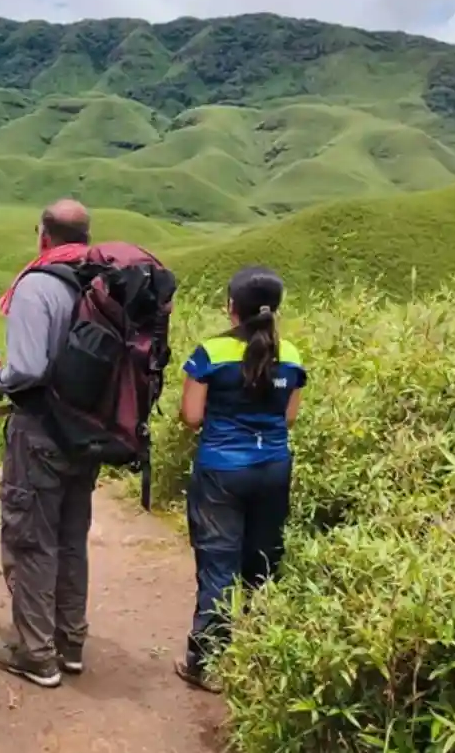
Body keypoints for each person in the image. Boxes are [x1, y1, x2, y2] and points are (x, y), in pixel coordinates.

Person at [0, 198, 97, 688]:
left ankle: (36, 653)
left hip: (41, 429)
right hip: (88, 431)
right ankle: (70, 644)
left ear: (43, 237)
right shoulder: (101, 281)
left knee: (30, 540)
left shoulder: (38, 285)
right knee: (71, 537)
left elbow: (27, 369)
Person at [174, 266, 304, 694]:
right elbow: (289, 417)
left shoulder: (210, 353)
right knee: (262, 563)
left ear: (232, 308)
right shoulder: (292, 355)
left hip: (222, 471)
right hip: (274, 468)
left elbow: (191, 417)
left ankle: (206, 664)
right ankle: (260, 659)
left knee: (218, 563)